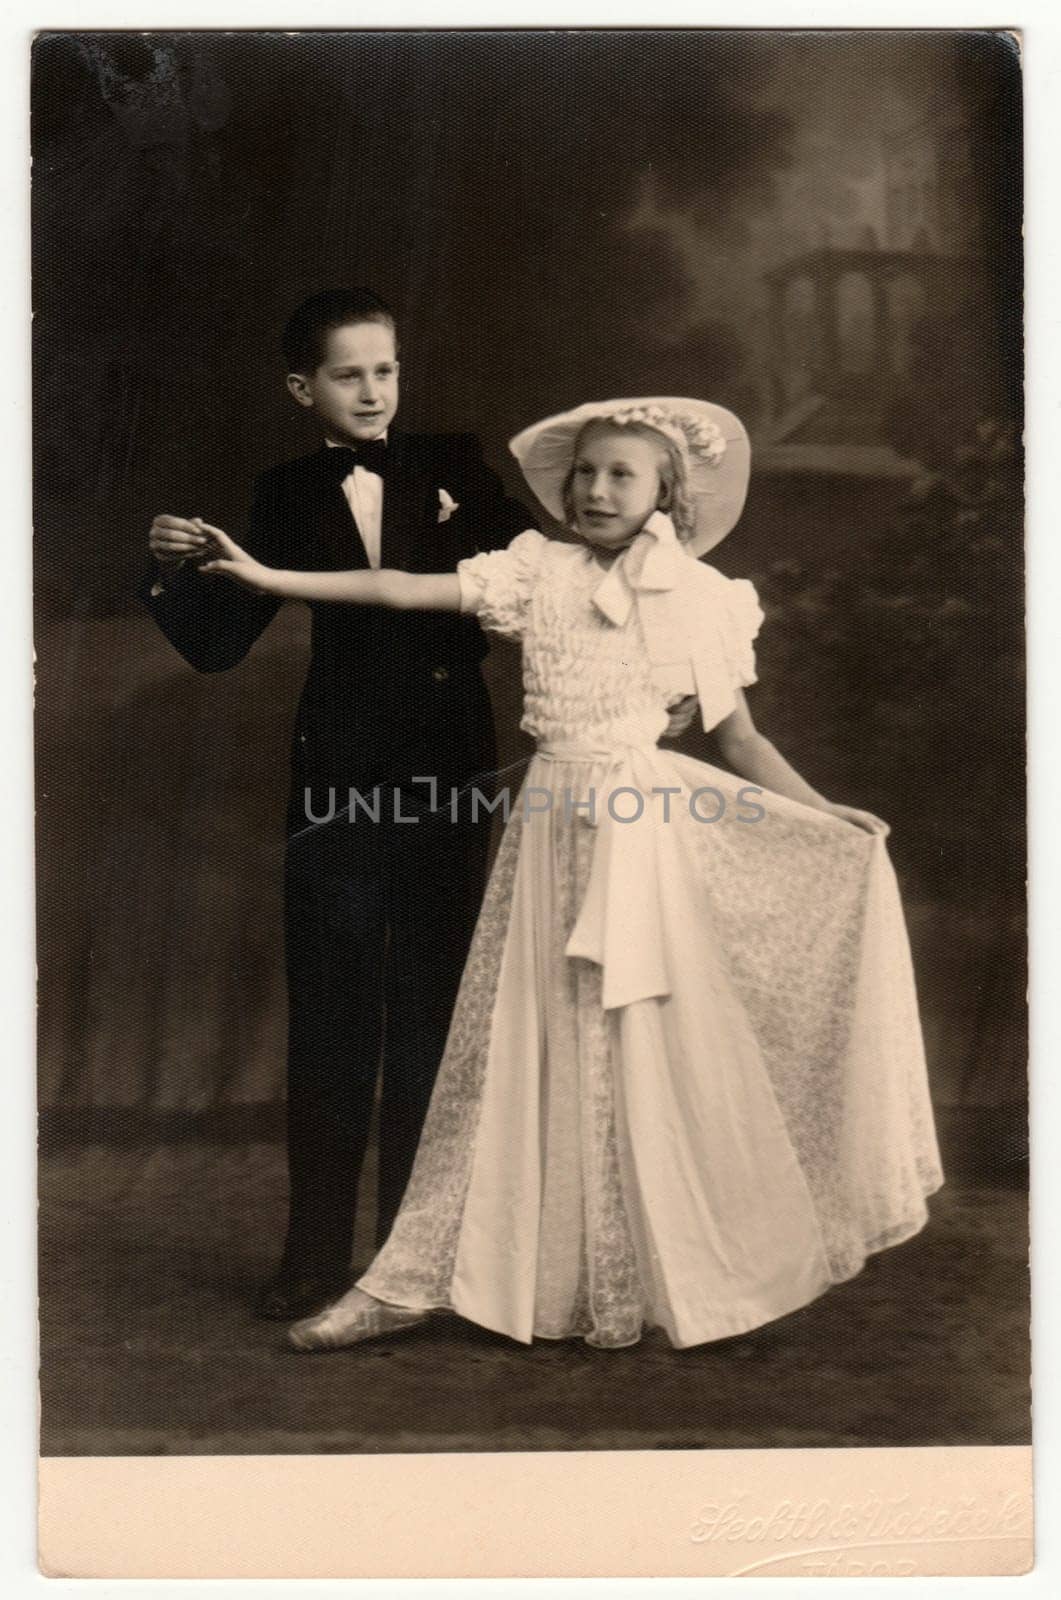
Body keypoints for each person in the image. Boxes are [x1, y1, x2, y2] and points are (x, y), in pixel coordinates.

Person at [198, 395, 944, 1352]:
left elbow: (741, 739)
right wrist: (264, 572)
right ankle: (441, 1276)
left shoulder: (706, 600)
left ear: (664, 493)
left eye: (619, 475)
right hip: (549, 830)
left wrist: (823, 813)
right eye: (583, 473)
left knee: (648, 1043)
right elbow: (396, 589)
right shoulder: (535, 572)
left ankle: (669, 1269)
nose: (593, 489)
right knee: (524, 1038)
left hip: (646, 838)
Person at [140, 289, 537, 1320]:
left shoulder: (457, 465)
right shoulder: (281, 493)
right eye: (349, 373)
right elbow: (217, 645)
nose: (373, 390)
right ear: (300, 387)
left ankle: (415, 1265)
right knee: (332, 1014)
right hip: (339, 776)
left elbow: (548, 578)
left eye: (387, 369)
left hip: (451, 768)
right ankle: (314, 1260)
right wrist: (165, 570)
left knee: (431, 1015)